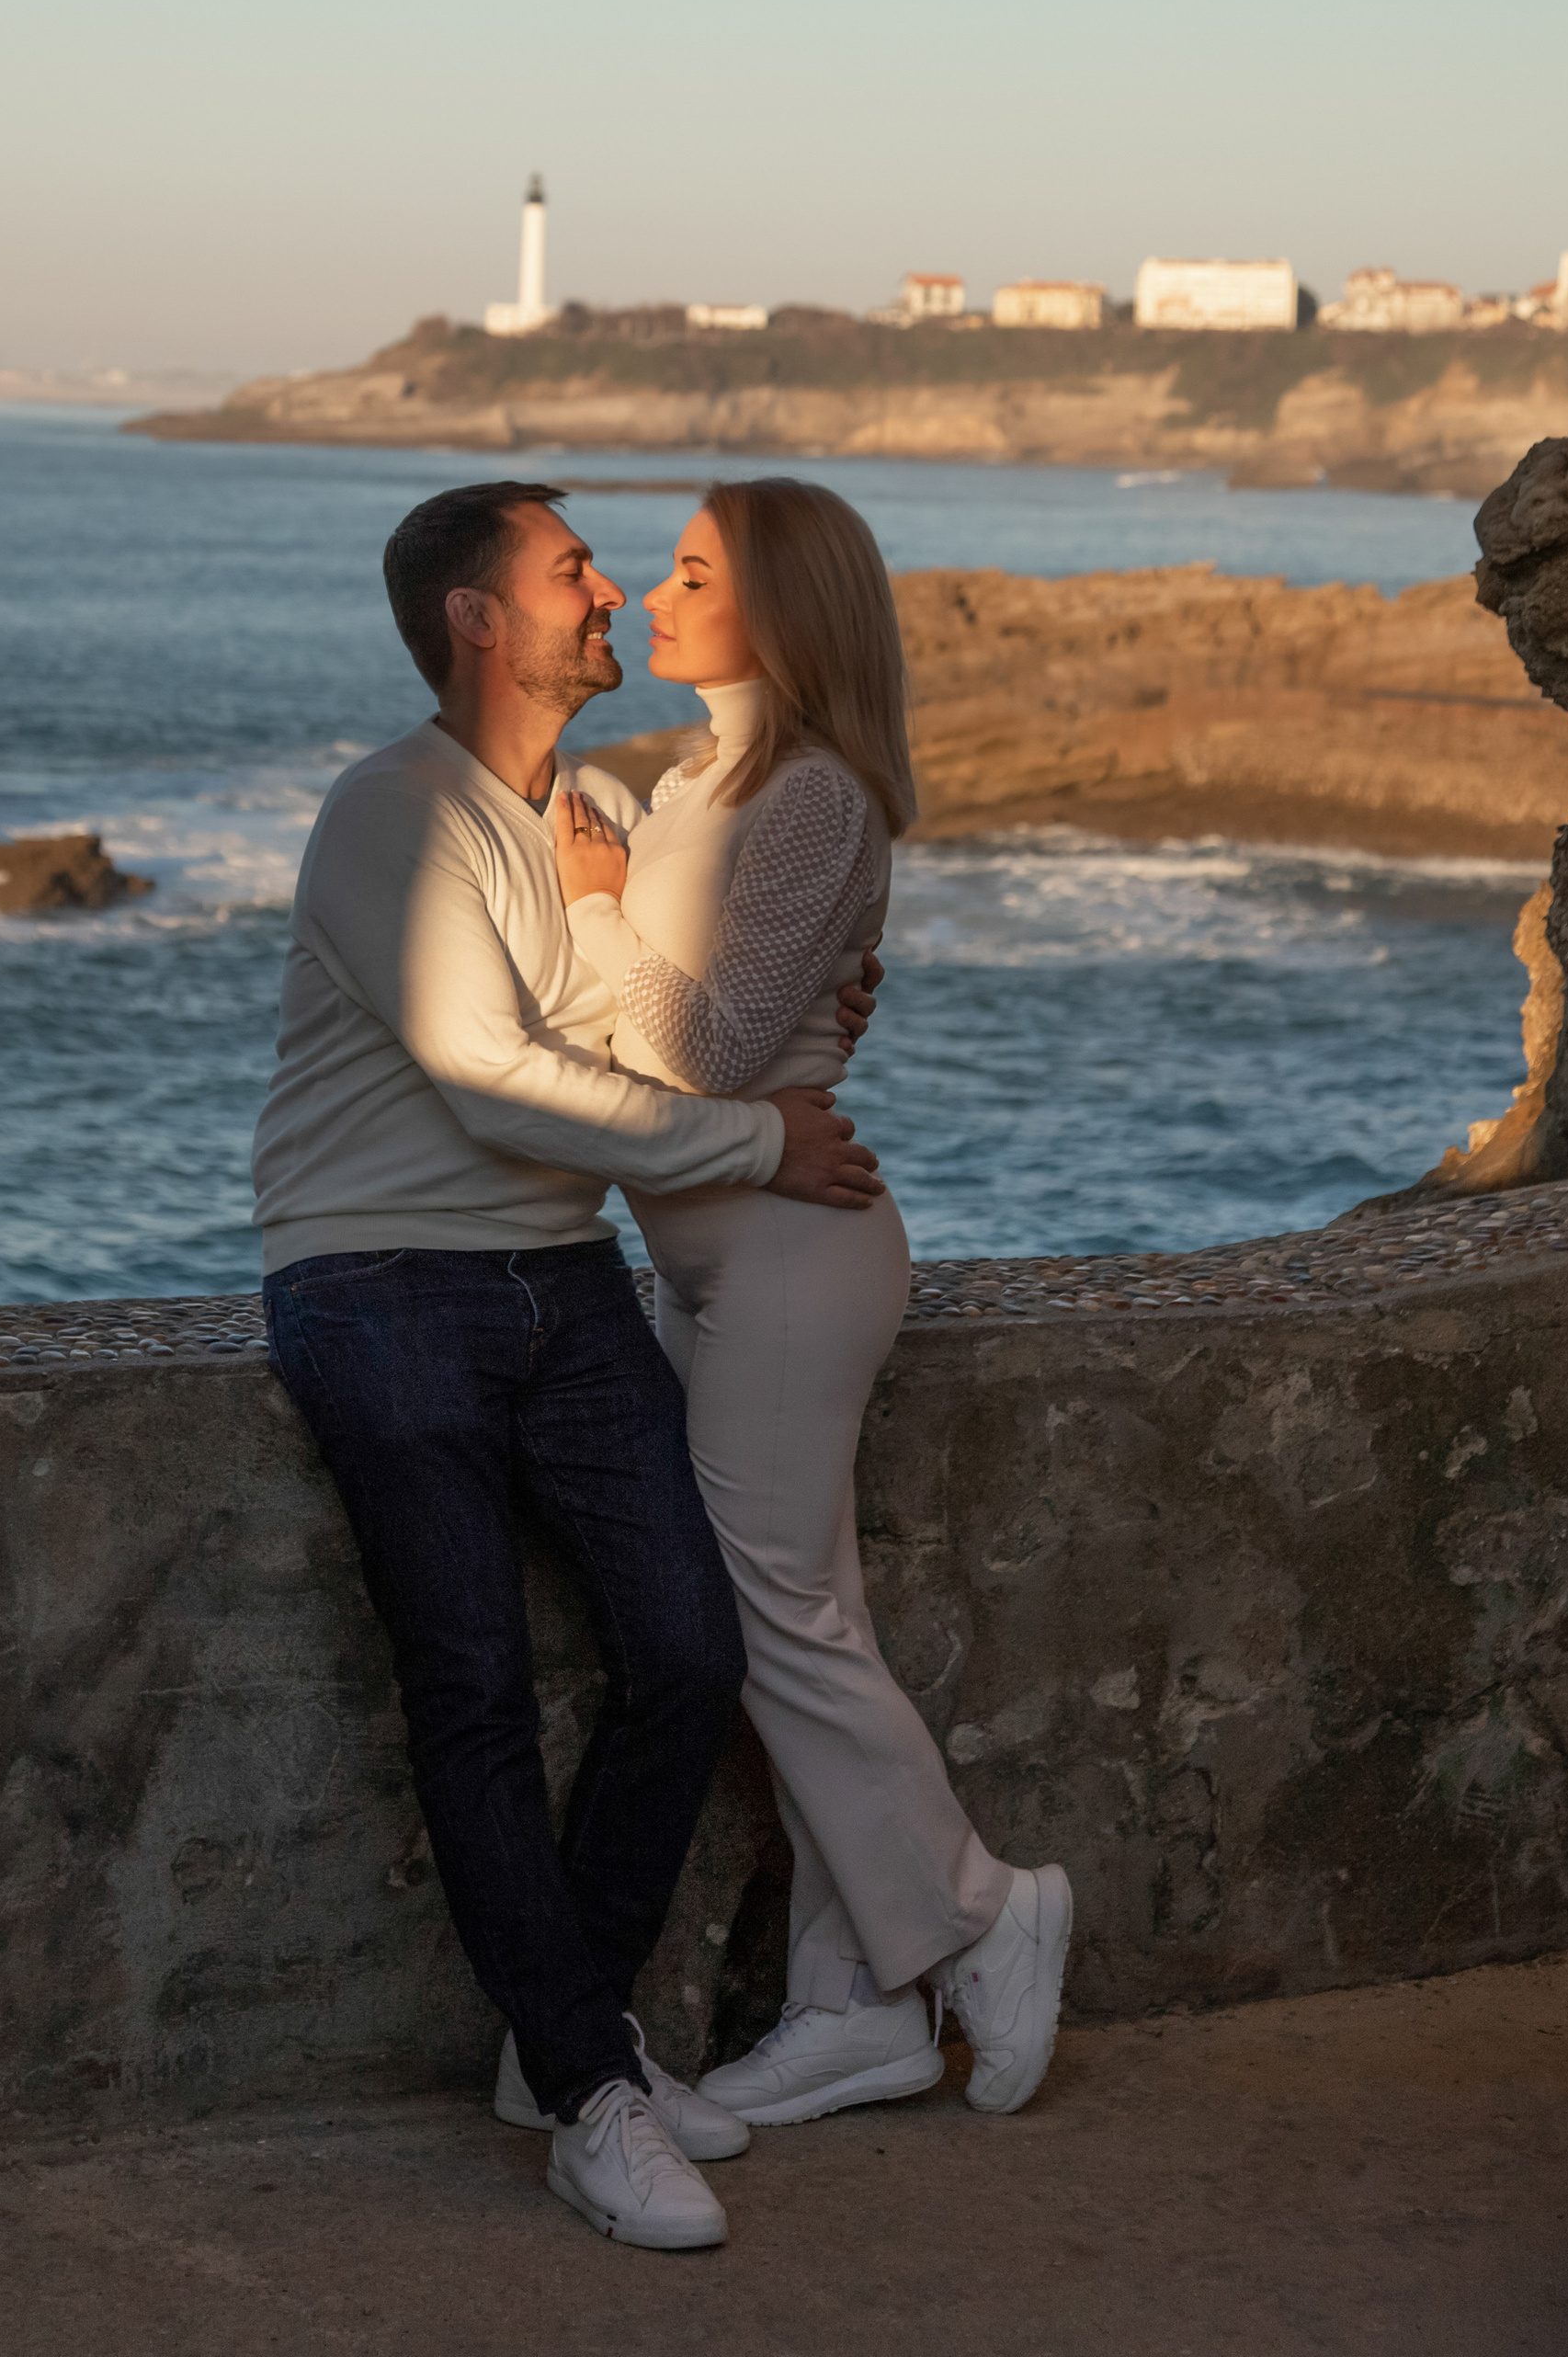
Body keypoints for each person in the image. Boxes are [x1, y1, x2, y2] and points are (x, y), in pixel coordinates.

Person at [253, 480, 887, 2253]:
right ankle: (597, 2093)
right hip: (380, 1280)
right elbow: (488, 1073)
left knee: (688, 1650)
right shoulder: (393, 814)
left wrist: (819, 1009)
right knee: (470, 1687)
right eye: (569, 569)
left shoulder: (588, 811)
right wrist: (761, 1144)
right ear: (476, 619)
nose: (609, 589)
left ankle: (566, 2046)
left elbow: (655, 1030)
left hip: (561, 1275)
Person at [551, 475, 1073, 2129]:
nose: (652, 594)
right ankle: (859, 2006)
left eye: (693, 572)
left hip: (792, 1249)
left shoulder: (815, 797)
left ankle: (985, 1910)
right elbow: (662, 1023)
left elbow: (700, 1048)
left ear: (782, 607)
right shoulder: (689, 784)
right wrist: (610, 900)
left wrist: (589, 902)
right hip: (713, 1251)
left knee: (772, 1618)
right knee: (804, 1618)